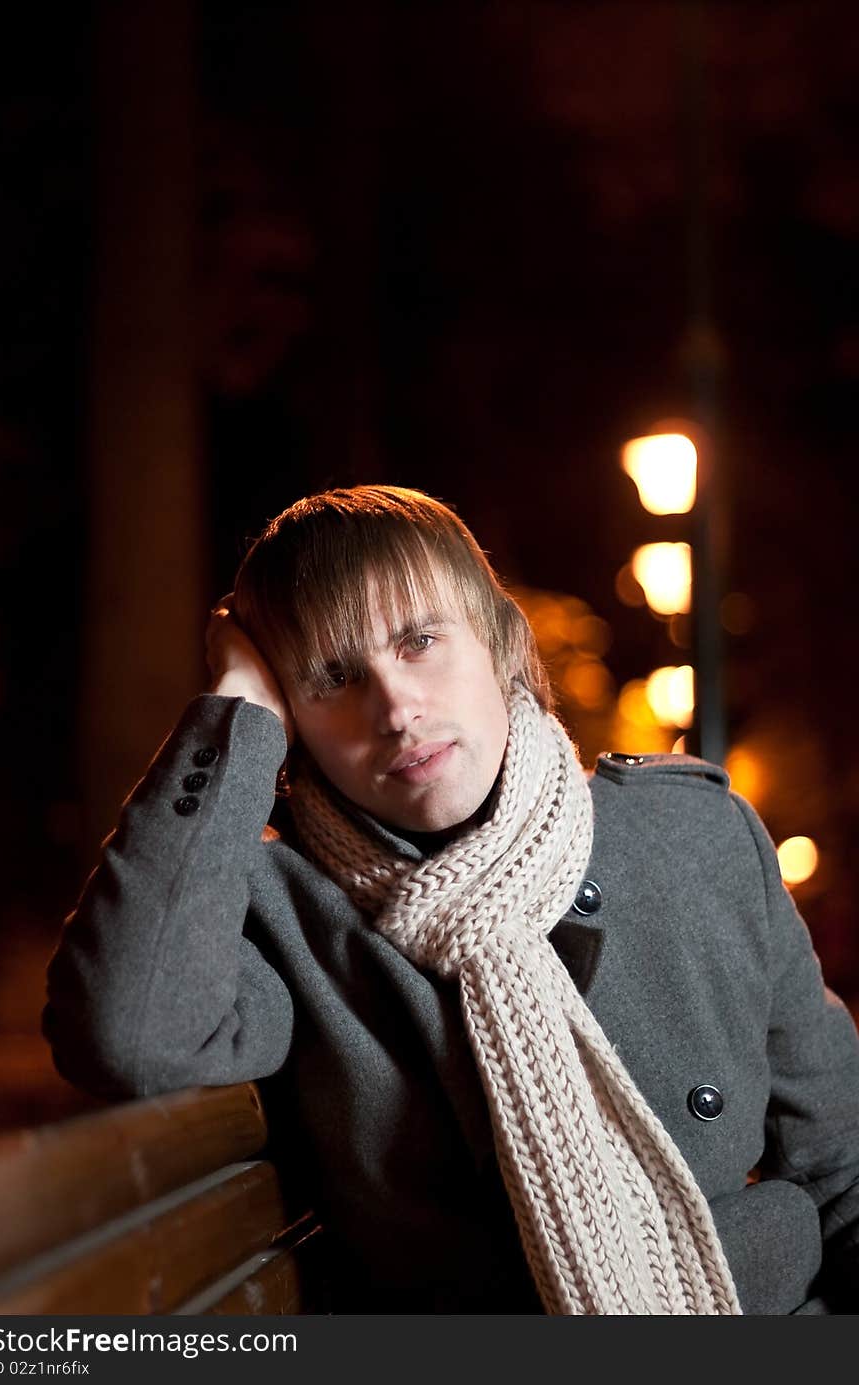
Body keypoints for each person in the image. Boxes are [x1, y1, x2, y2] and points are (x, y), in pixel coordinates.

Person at [44, 484, 859, 1315]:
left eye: (420, 640)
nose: (396, 708)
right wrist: (234, 713)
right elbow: (129, 1032)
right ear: (294, 720)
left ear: (500, 643)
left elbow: (844, 1166)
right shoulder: (284, 913)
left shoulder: (696, 835)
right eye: (332, 676)